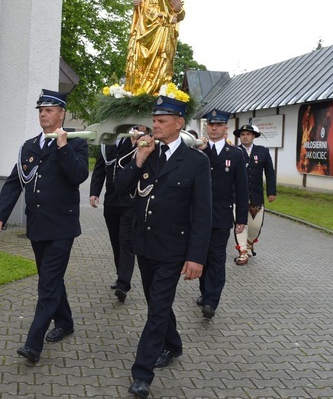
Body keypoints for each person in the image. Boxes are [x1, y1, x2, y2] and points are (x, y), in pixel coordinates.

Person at [115, 95, 212, 399]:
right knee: (157, 304)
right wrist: (139, 160)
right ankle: (174, 344)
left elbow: (202, 213)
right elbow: (119, 189)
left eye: (161, 121)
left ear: (179, 123)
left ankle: (142, 373)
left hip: (174, 249)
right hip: (145, 246)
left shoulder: (196, 161)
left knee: (156, 310)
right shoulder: (147, 153)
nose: (154, 125)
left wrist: (196, 257)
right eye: (154, 120)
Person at [0, 89, 89, 364]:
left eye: (49, 110)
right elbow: (14, 181)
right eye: (41, 110)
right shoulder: (30, 145)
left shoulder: (75, 143)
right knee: (52, 279)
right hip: (37, 226)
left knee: (47, 285)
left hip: (62, 227)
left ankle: (33, 344)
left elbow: (78, 175)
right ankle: (65, 322)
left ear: (61, 114)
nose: (43, 114)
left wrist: (63, 146)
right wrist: (0, 214)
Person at [196, 109, 249, 319]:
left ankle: (211, 300)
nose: (214, 128)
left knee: (217, 258)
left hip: (220, 216)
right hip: (198, 215)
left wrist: (242, 219)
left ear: (226, 129)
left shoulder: (235, 154)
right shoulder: (198, 151)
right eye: (211, 125)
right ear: (206, 127)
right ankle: (204, 292)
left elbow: (242, 188)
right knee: (202, 256)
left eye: (218, 125)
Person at [89, 126, 144, 303]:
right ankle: (120, 274)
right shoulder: (108, 141)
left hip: (130, 200)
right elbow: (99, 168)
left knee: (126, 240)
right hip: (111, 200)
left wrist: (135, 144)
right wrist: (94, 192)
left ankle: (123, 283)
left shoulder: (137, 140)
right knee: (115, 241)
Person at [233, 124, 277, 265]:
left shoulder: (262, 152)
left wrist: (272, 191)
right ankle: (243, 252)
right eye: (242, 134)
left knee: (255, 226)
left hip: (256, 195)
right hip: (237, 196)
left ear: (253, 136)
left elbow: (270, 173)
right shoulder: (234, 151)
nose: (245, 136)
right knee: (241, 224)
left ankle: (249, 243)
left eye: (248, 134)